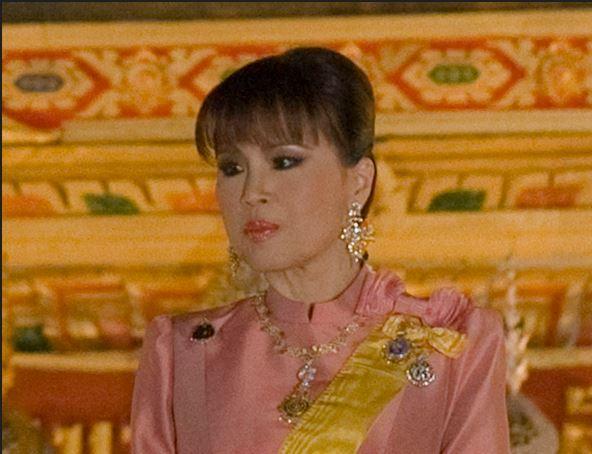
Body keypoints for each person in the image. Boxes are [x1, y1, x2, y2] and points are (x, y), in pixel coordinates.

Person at [131, 47, 510, 453]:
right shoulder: (181, 351)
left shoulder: (448, 345)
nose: (251, 192)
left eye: (284, 162)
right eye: (232, 168)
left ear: (359, 182)